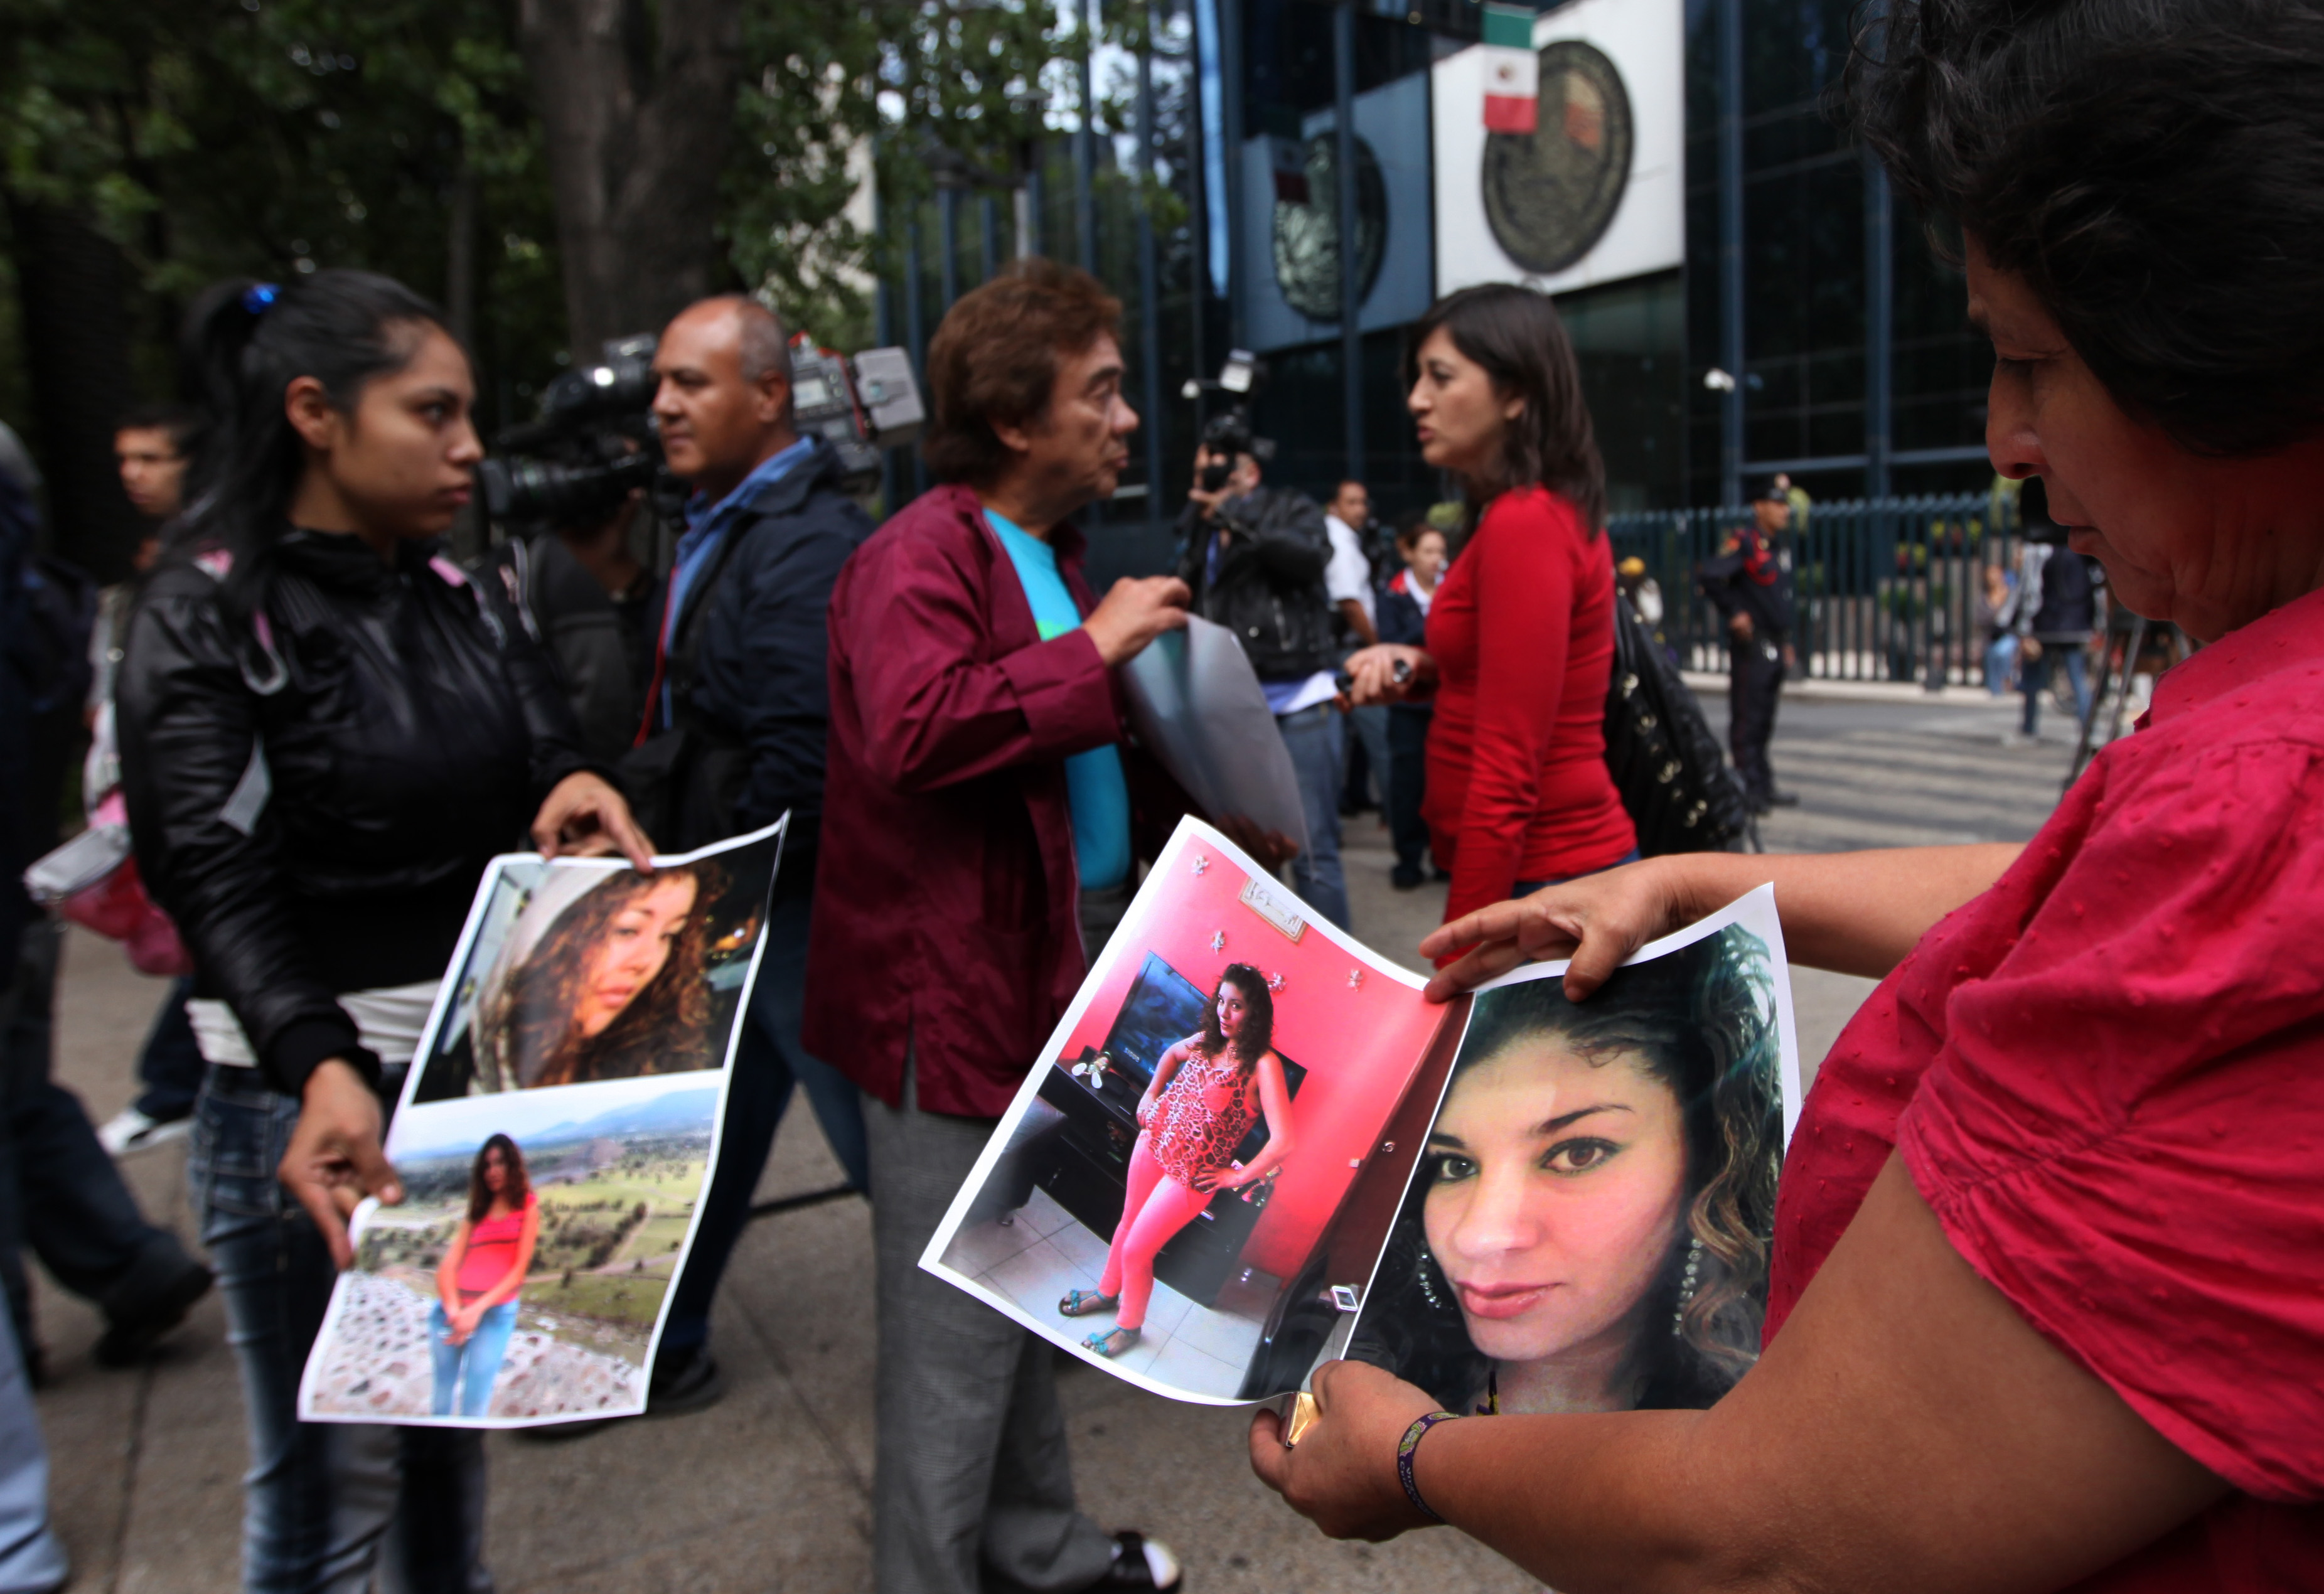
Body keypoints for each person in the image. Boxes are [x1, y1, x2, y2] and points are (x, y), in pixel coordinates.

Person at [1249, 3, 2324, 1586]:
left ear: (2234, 339)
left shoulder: (2259, 800)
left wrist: (1416, 1455)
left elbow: (1779, 1530)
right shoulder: (2249, 782)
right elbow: (2086, 899)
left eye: (2033, 360)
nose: (2002, 440)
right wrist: (1698, 883)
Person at [118, 269, 651, 1592]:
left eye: (466, 413)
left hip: (465, 1090)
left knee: (442, 1449)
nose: (469, 447)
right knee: (327, 1501)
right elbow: (208, 867)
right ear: (315, 413)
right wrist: (316, 1061)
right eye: (432, 412)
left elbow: (536, 727)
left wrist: (571, 780)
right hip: (308, 1115)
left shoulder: (457, 580)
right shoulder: (207, 607)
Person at [806, 257, 1194, 1594]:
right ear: (1014, 417)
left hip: (1048, 964)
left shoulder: (1044, 554)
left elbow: (1059, 763)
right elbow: (917, 731)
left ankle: (1042, 1553)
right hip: (952, 990)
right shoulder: (911, 556)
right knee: (950, 1333)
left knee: (1019, 1285)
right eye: (1101, 391)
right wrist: (1095, 650)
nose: (1127, 419)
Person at [616, 291, 876, 1416]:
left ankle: (1003, 1322)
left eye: (691, 383)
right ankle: (662, 1341)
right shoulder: (722, 521)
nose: (663, 407)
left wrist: (728, 893)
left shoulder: (802, 539)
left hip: (777, 899)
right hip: (739, 889)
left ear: (769, 396)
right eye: (660, 385)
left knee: (880, 1145)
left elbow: (804, 758)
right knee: (716, 1128)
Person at [1351, 926, 1777, 1417]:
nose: (1479, 1237)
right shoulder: (1354, 1379)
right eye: (1457, 1165)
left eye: (1578, 1154)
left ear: (1707, 1164)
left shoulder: (1770, 1421)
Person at [0, 420, 213, 1379]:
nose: (132, 475)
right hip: (25, 894)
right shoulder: (48, 597)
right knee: (22, 1101)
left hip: (18, 895)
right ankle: (131, 1266)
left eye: (150, 458)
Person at [1342, 284, 1639, 930]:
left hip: (1547, 880)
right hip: (1543, 878)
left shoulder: (1524, 521)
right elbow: (1503, 677)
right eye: (1417, 377)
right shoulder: (1525, 512)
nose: (1416, 398)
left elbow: (1509, 769)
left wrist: (1460, 953)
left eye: (1440, 376)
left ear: (1515, 393)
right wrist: (1420, 667)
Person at [1059, 965, 1297, 1359]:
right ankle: (1106, 1292)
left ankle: (1129, 1327)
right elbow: (1171, 1053)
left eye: (1236, 1006)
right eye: (1221, 1001)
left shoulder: (1263, 1065)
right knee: (1127, 1223)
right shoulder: (1209, 1039)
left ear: (1255, 1012)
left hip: (1191, 1175)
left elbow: (1284, 1140)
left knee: (1138, 1251)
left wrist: (1234, 1178)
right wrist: (1150, 1093)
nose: (1224, 1012)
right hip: (1155, 1142)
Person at [1174, 418, 1348, 928]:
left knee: (1313, 853)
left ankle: (1335, 973)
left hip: (1299, 702)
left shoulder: (1287, 507)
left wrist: (1232, 513)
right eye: (1201, 468)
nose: (1208, 477)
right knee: (1248, 856)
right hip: (1232, 708)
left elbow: (1310, 558)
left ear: (1249, 473)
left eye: (1218, 466)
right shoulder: (1202, 523)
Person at [96, 404, 210, 1158]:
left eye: (151, 458)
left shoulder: (209, 564)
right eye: (125, 460)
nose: (133, 475)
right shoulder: (163, 558)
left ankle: (168, 1089)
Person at [485, 864, 717, 1088]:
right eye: (627, 930)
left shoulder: (648, 1066)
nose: (647, 962)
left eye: (668, 935)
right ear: (555, 934)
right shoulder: (475, 1066)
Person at [1700, 479, 1799, 813]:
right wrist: (1735, 611)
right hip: (1752, 646)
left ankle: (1763, 785)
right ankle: (1746, 788)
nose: (1785, 511)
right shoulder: (1743, 543)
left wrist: (1787, 641)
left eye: (1785, 505)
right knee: (1748, 720)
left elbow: (1778, 599)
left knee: (1765, 720)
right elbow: (1710, 575)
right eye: (1777, 504)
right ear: (1759, 507)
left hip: (1774, 644)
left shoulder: (1776, 547)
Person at [431, 1135, 538, 1420]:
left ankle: (465, 1447)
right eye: (487, 1165)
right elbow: (447, 1268)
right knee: (442, 1393)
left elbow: (518, 1271)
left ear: (512, 1165)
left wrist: (476, 1311)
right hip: (450, 1313)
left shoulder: (527, 1206)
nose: (493, 1171)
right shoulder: (476, 1211)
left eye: (500, 1163)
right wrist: (455, 1312)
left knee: (476, 1401)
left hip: (493, 1316)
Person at [1376, 518, 1445, 891]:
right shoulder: (1393, 595)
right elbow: (1391, 644)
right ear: (1410, 554)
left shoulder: (1453, 591)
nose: (1436, 559)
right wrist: (1434, 620)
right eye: (1429, 551)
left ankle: (1444, 855)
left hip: (1447, 704)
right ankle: (1408, 858)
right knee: (1408, 784)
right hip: (1408, 708)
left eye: (1441, 552)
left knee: (1446, 783)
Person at [1323, 480, 1390, 819]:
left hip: (1349, 648)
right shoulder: (1338, 540)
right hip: (1353, 650)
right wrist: (1378, 646)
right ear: (1333, 506)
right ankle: (1399, 818)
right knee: (1380, 735)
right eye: (1351, 502)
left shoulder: (1347, 539)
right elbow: (1349, 602)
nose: (1360, 509)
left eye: (1363, 502)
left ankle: (1352, 802)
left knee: (1348, 740)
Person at [1975, 560, 2020, 697]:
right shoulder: (1984, 597)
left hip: (2011, 634)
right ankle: (1996, 690)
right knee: (1991, 652)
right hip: (1992, 636)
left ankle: (2007, 680)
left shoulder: (2012, 594)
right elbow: (1980, 618)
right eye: (1990, 575)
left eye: (1995, 574)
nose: (1992, 578)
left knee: (2001, 652)